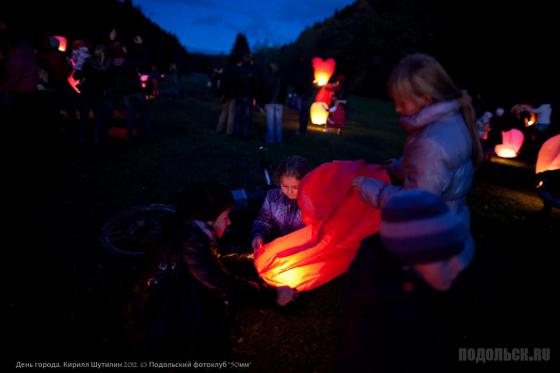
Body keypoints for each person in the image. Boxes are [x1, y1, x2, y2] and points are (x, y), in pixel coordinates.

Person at [352, 53, 482, 292]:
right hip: (453, 228)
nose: (397, 108)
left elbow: (415, 204)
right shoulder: (448, 123)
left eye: (402, 101)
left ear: (426, 98)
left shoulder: (432, 143)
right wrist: (398, 167)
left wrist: (372, 189)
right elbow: (429, 167)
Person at [125, 182, 296, 359]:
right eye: (225, 217)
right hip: (161, 320)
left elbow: (212, 258)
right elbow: (224, 284)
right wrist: (274, 293)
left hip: (166, 299)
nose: (229, 222)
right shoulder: (191, 244)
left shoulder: (189, 229)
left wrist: (249, 255)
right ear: (209, 220)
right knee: (211, 305)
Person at [251, 155, 310, 251]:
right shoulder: (272, 198)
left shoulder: (311, 201)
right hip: (278, 248)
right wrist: (258, 235)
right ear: (279, 182)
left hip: (303, 249)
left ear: (306, 182)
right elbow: (263, 221)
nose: (289, 191)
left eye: (295, 187)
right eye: (285, 186)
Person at [261, 62, 287, 144]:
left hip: (269, 102)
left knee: (270, 122)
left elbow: (264, 90)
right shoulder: (281, 77)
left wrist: (262, 101)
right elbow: (284, 90)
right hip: (279, 102)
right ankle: (278, 140)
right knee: (278, 122)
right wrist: (283, 100)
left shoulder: (266, 77)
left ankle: (270, 140)